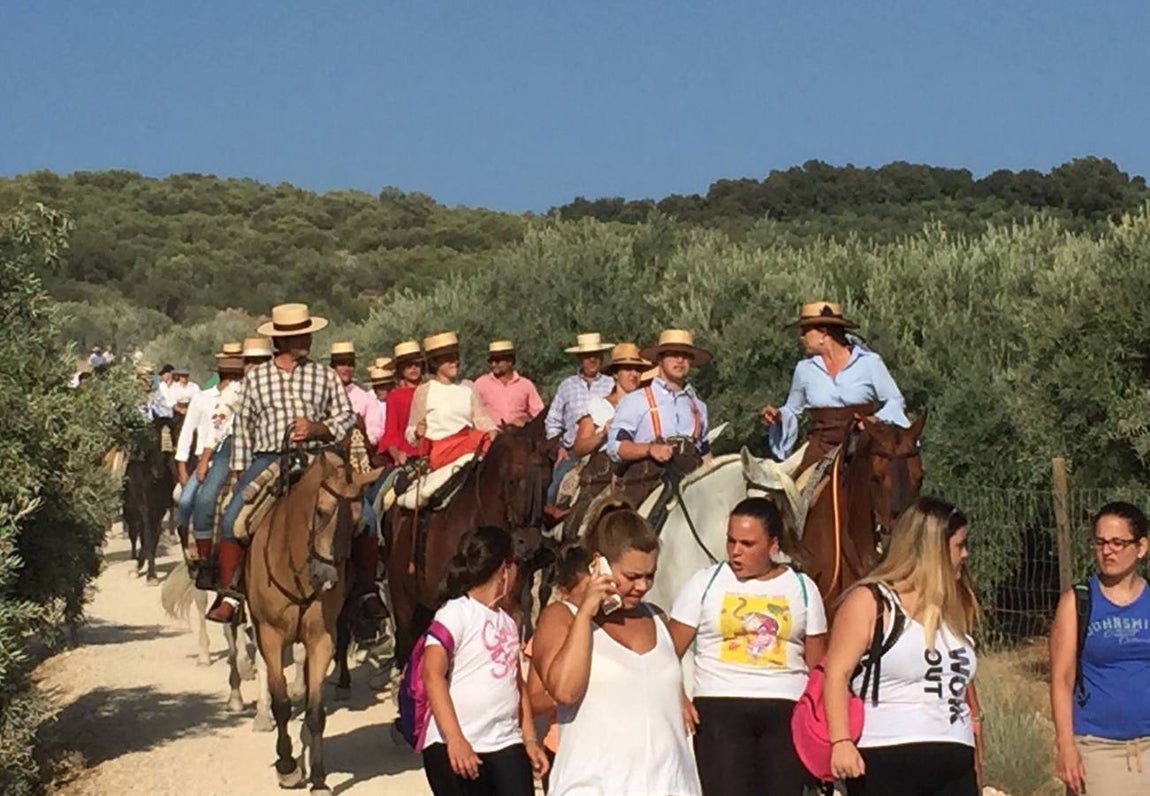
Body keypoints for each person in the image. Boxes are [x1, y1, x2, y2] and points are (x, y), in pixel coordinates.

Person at [531, 502, 700, 796]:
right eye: (632, 576)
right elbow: (565, 690)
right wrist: (586, 613)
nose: (643, 586)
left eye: (650, 575)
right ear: (601, 565)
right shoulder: (562, 616)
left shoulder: (657, 618)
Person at [823, 496, 981, 796]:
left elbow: (962, 683)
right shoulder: (871, 602)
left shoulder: (955, 604)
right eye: (959, 546)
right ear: (932, 549)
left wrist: (975, 733)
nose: (966, 554)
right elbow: (836, 674)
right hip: (885, 754)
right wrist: (840, 741)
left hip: (954, 756)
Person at [668, 496, 826, 796]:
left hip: (786, 712)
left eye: (747, 544)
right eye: (731, 541)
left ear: (773, 545)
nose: (735, 552)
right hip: (720, 709)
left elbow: (818, 666)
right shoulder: (705, 582)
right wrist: (678, 697)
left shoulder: (803, 588)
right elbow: (666, 652)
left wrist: (820, 722)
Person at [215, 303, 356, 623]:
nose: (305, 340)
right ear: (281, 341)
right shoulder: (257, 378)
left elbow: (348, 416)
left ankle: (364, 593)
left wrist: (319, 429)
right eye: (297, 335)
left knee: (366, 516)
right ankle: (231, 592)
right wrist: (239, 471)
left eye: (306, 333)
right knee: (232, 519)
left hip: (318, 460)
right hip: (269, 458)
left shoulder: (324, 375)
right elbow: (244, 427)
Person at [421, 525, 549, 796]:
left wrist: (529, 739)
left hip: (506, 742)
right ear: (505, 568)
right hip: (458, 743)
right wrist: (455, 739)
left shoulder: (508, 621)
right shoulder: (455, 613)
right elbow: (432, 673)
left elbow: (517, 684)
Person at [1050, 501, 1150, 796]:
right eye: (1101, 542)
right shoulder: (1077, 602)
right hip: (1097, 748)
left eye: (1119, 543)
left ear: (1141, 547)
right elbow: (1062, 679)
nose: (1108, 551)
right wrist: (1066, 745)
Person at [760, 301, 909, 475]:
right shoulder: (804, 369)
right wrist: (778, 416)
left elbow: (895, 400)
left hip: (862, 444)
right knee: (790, 490)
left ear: (823, 332)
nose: (801, 337)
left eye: (806, 331)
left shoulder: (869, 363)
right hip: (820, 447)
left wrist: (875, 419)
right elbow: (793, 409)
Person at [523, 544, 591, 794]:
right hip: (564, 748)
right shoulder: (556, 626)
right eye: (587, 592)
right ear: (564, 592)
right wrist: (579, 687)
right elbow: (535, 699)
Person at [184, 348, 246, 587]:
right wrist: (204, 458)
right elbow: (218, 426)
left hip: (270, 446)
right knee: (204, 498)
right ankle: (205, 561)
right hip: (230, 445)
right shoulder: (232, 391)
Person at [607, 329, 712, 465]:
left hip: (691, 481)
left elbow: (704, 453)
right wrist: (650, 449)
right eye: (673, 354)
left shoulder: (699, 407)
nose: (680, 360)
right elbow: (617, 446)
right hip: (648, 482)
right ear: (660, 359)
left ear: (691, 361)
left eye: (686, 355)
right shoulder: (635, 401)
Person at [406, 332, 497, 470]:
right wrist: (417, 432)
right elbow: (410, 432)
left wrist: (493, 431)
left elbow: (482, 419)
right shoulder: (424, 391)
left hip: (470, 445)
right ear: (435, 362)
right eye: (448, 359)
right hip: (442, 451)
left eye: (455, 357)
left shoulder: (468, 387)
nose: (454, 362)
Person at [544, 333, 615, 503]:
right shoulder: (567, 386)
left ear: (602, 357)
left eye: (596, 356)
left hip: (605, 450)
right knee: (553, 492)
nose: (592, 360)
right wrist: (559, 447)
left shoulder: (612, 384)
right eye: (587, 356)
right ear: (580, 358)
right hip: (573, 453)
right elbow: (553, 421)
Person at [569, 343, 650, 458]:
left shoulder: (648, 404)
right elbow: (579, 447)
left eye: (638, 370)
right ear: (616, 374)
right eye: (627, 369)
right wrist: (602, 435)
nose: (634, 374)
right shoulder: (599, 406)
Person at [473, 340, 545, 428]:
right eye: (491, 361)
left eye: (498, 361)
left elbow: (539, 413)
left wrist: (526, 419)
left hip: (518, 433)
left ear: (510, 361)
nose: (493, 364)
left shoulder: (525, 385)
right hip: (492, 434)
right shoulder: (481, 383)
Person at [377, 340, 425, 466]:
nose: (413, 368)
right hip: (408, 456)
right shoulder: (394, 397)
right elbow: (391, 431)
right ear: (400, 370)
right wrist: (397, 454)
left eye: (416, 364)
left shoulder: (433, 389)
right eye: (408, 366)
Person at [330, 341, 377, 444]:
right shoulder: (324, 396)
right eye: (342, 364)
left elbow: (375, 430)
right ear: (333, 367)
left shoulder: (365, 398)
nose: (346, 369)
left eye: (350, 364)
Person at [365, 364, 395, 452]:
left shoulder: (396, 400)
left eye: (382, 387)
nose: (378, 390)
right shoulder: (371, 401)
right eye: (376, 387)